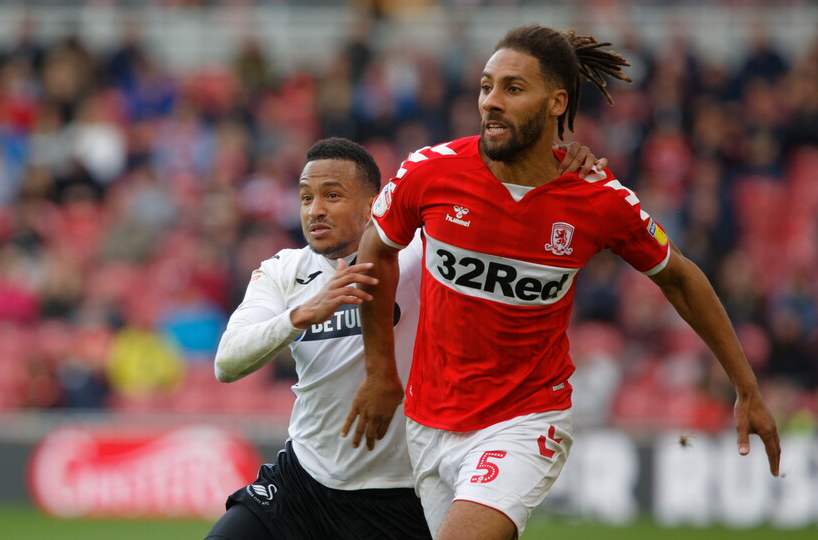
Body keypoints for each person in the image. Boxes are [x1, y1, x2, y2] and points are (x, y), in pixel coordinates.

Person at [342, 25, 782, 540]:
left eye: (513, 88)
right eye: (486, 86)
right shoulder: (430, 171)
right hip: (429, 420)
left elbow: (681, 279)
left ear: (556, 103)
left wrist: (746, 387)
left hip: (526, 419)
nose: (491, 101)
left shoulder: (597, 198)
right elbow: (375, 251)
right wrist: (379, 372)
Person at [206, 136, 600, 540]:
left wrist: (551, 160)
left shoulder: (417, 255)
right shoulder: (283, 271)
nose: (315, 210)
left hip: (403, 496)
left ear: (373, 204)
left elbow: (495, 184)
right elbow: (227, 362)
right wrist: (300, 315)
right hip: (303, 482)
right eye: (306, 198)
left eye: (332, 195)